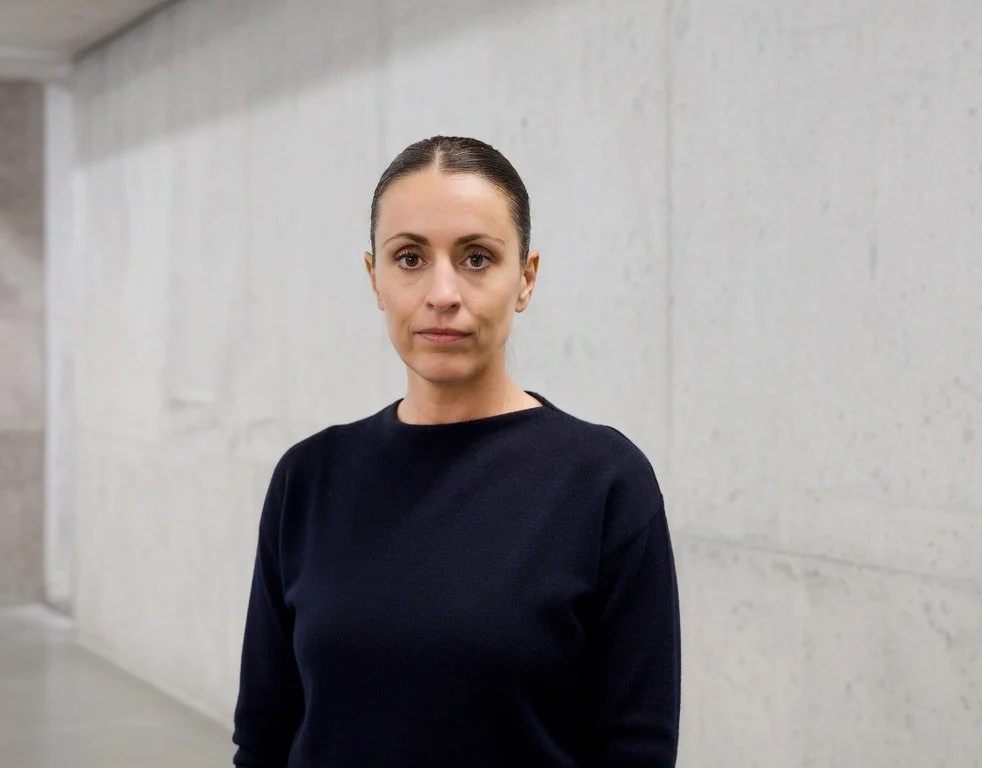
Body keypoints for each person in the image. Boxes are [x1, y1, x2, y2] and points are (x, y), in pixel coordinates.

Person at [232, 136, 681, 767]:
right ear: (374, 278)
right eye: (410, 258)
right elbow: (264, 734)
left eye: (476, 258)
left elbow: (635, 750)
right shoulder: (307, 477)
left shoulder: (603, 483)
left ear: (525, 278)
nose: (442, 292)